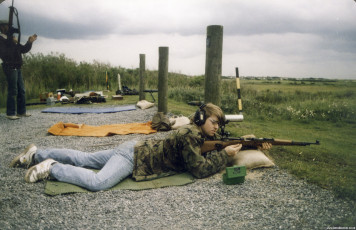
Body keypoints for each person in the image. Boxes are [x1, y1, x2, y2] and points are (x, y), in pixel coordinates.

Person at [10, 103, 271, 191]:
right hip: (134, 158)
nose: (216, 128)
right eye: (214, 122)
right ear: (202, 119)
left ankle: (36, 153)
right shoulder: (191, 135)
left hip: (132, 148)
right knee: (98, 182)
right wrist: (225, 156)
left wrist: (251, 142)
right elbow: (199, 170)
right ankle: (51, 167)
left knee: (85, 158)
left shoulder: (195, 132)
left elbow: (215, 145)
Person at [0, 19, 37, 120]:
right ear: (2, 27)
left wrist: (29, 42)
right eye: (6, 26)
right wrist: (12, 42)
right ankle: (10, 113)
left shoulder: (11, 39)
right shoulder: (2, 40)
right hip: (9, 67)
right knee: (13, 91)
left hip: (17, 67)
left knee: (21, 90)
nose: (8, 28)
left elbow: (23, 49)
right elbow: (4, 53)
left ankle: (21, 112)